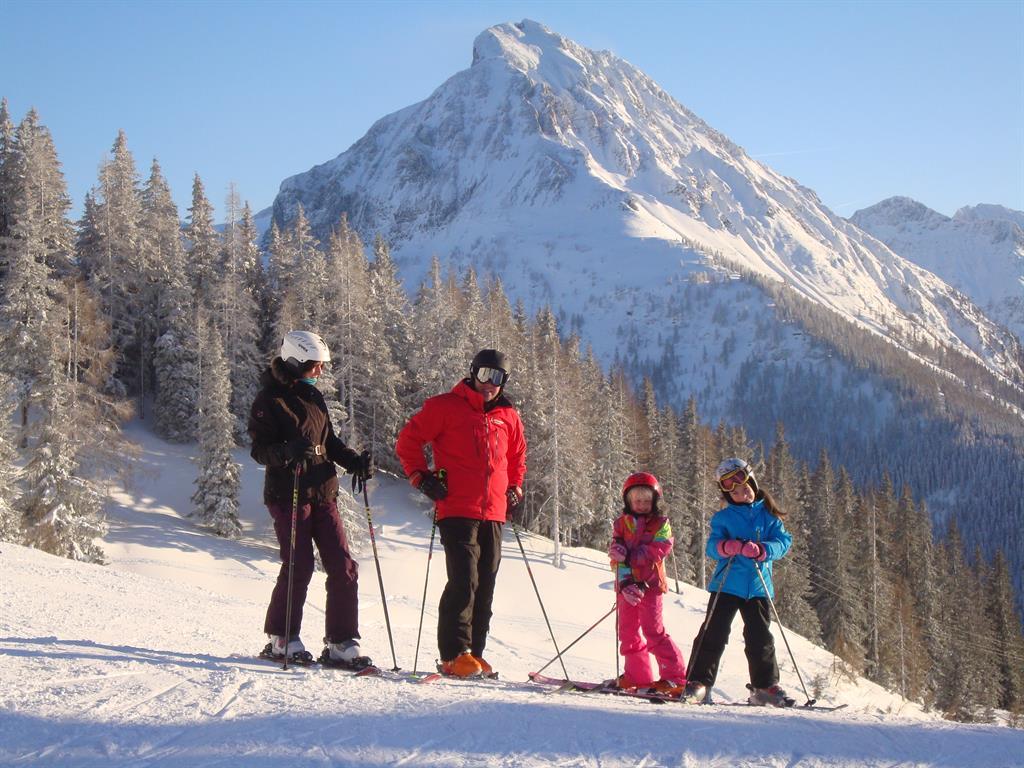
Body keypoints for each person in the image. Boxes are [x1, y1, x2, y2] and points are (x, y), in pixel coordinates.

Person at [396, 349, 527, 678]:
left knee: (485, 582)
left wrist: (515, 487)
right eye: (484, 374)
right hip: (457, 507)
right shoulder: (445, 407)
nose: (489, 384)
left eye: (497, 378)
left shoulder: (508, 416)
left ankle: (475, 654)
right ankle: (454, 654)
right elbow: (408, 441)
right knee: (464, 579)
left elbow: (517, 457)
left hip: (494, 512)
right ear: (472, 373)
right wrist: (421, 477)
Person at [249, 330, 374, 668]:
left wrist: (353, 461)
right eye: (315, 366)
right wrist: (286, 452)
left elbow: (328, 441)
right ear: (296, 360)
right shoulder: (269, 400)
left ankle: (341, 642)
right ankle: (281, 638)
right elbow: (258, 450)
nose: (320, 372)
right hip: (288, 493)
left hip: (323, 490)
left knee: (344, 567)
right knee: (299, 565)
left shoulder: (313, 398)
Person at [684, 458, 794, 706]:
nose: (741, 494)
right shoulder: (723, 518)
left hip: (757, 587)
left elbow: (784, 542)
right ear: (727, 495)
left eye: (745, 487)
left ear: (753, 483)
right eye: (733, 491)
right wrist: (727, 546)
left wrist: (763, 550)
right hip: (727, 584)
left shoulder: (769, 517)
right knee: (713, 633)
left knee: (760, 638)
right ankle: (698, 682)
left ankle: (765, 685)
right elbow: (712, 547)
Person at [608, 472, 690, 696]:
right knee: (627, 632)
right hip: (626, 588)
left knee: (653, 631)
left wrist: (630, 557)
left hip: (650, 586)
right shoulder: (621, 525)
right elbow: (616, 556)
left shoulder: (661, 524)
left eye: (646, 501)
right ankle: (637, 675)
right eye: (637, 501)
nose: (642, 505)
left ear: (655, 501)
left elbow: (660, 549)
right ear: (628, 501)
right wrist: (625, 582)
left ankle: (674, 677)